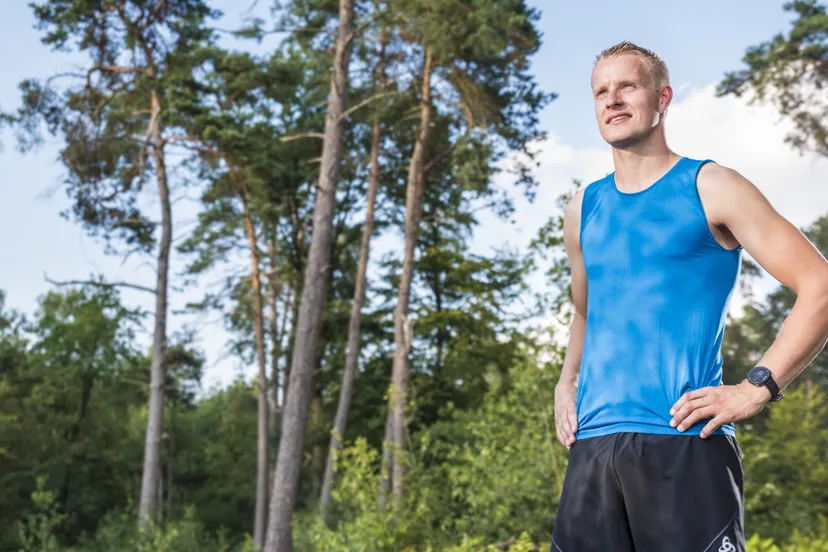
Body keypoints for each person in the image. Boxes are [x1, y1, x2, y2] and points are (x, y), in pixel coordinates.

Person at [550, 41, 828, 552]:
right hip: (591, 450)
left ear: (663, 97)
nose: (612, 100)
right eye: (600, 92)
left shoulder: (711, 186)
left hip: (684, 445)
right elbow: (587, 311)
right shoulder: (581, 209)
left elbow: (821, 285)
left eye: (627, 86)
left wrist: (756, 388)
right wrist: (566, 382)